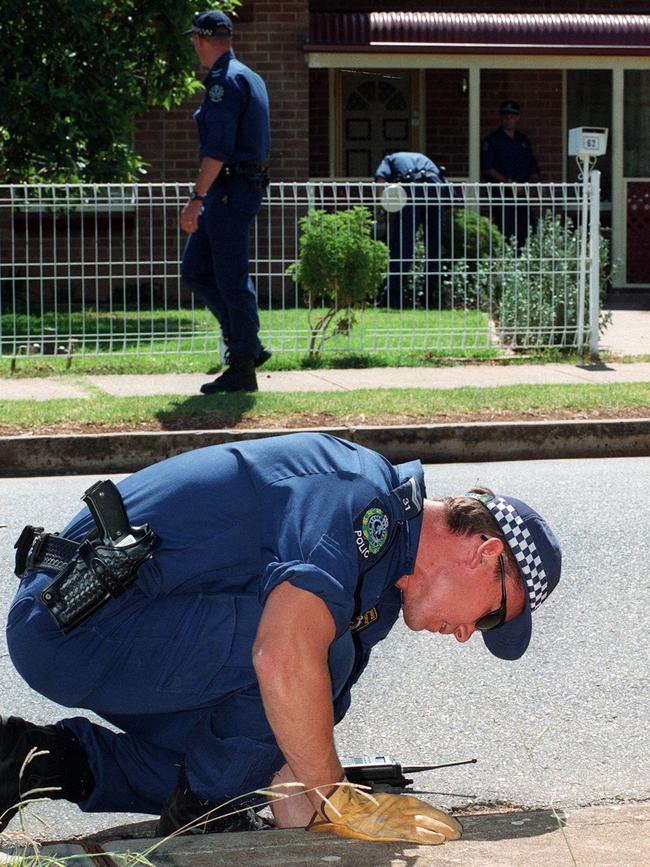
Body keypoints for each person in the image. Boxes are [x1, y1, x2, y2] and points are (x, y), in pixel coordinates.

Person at [2, 433, 561, 845]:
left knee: (266, 742)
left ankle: (34, 762)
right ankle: (207, 820)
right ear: (484, 554)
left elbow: (281, 746)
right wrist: (333, 792)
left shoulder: (383, 583)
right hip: (76, 620)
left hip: (121, 635)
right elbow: (281, 656)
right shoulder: (359, 495)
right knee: (312, 657)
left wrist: (318, 830)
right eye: (488, 617)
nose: (465, 635)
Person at [180, 11, 271, 394]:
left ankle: (243, 363)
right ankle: (246, 342)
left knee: (231, 277)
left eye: (194, 42)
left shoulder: (223, 82)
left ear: (201, 40)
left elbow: (217, 149)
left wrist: (196, 199)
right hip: (233, 188)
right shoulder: (248, 76)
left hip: (229, 190)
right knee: (196, 270)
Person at [374, 152, 450, 308]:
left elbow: (380, 179)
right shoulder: (423, 158)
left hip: (413, 189)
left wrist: (381, 207)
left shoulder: (388, 160)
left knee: (403, 246)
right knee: (434, 246)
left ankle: (393, 300)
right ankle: (432, 299)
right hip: (437, 189)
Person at [481, 100, 540, 247]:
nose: (509, 119)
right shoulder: (492, 140)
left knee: (528, 229)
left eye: (512, 116)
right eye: (506, 116)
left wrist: (530, 184)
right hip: (502, 193)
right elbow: (488, 168)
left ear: (517, 118)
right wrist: (509, 184)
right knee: (506, 231)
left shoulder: (522, 140)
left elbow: (532, 166)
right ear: (501, 118)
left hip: (521, 194)